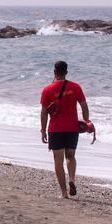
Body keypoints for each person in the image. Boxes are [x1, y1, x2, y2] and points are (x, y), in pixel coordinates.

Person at [40, 60, 89, 199]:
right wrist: (87, 121)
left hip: (55, 130)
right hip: (72, 128)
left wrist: (43, 130)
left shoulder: (47, 89)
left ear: (54, 72)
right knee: (71, 156)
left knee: (58, 161)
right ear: (66, 72)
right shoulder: (75, 87)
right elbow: (84, 105)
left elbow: (44, 112)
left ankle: (64, 193)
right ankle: (72, 179)